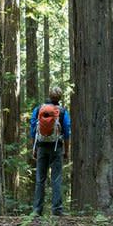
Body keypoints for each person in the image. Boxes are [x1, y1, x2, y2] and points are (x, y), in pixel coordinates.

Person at [29, 87, 71, 216]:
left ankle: (37, 210)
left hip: (41, 146)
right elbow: (67, 131)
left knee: (40, 179)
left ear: (49, 95)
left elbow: (32, 128)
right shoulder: (62, 111)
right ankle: (57, 210)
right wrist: (66, 151)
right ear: (60, 98)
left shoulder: (39, 109)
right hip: (56, 147)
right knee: (56, 179)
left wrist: (34, 148)